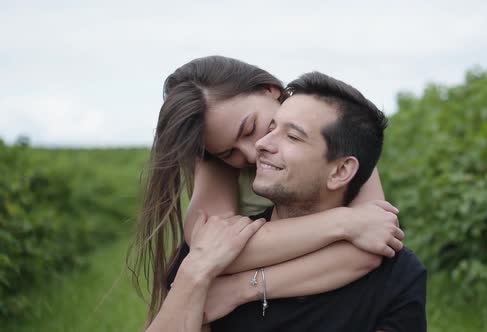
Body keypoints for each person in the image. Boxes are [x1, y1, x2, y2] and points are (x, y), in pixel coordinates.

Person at [130, 56, 405, 328]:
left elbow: (371, 246)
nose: (251, 151)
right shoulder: (215, 157)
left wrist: (239, 289)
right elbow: (212, 248)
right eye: (228, 153)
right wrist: (346, 222)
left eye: (250, 128)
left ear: (270, 90)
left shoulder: (338, 136)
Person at [207, 72, 427, 331]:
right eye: (272, 128)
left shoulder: (396, 275)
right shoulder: (212, 249)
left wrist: (241, 289)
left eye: (293, 137)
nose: (261, 145)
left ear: (340, 172)